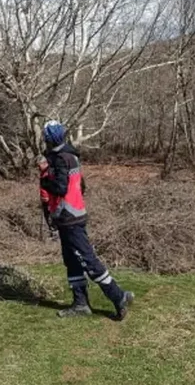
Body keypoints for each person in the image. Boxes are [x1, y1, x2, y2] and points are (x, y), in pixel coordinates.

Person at [40, 120, 134, 320]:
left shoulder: (60, 159)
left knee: (87, 259)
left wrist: (45, 181)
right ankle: (80, 304)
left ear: (49, 139)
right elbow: (81, 186)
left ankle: (118, 296)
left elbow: (60, 188)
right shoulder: (71, 156)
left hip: (69, 218)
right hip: (72, 215)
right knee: (72, 261)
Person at [37, 156, 58, 241]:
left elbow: (51, 187)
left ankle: (56, 235)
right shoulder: (43, 172)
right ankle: (53, 233)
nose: (38, 168)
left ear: (45, 163)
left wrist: (47, 197)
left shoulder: (50, 172)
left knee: (51, 217)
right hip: (46, 200)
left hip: (51, 200)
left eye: (39, 165)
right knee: (47, 216)